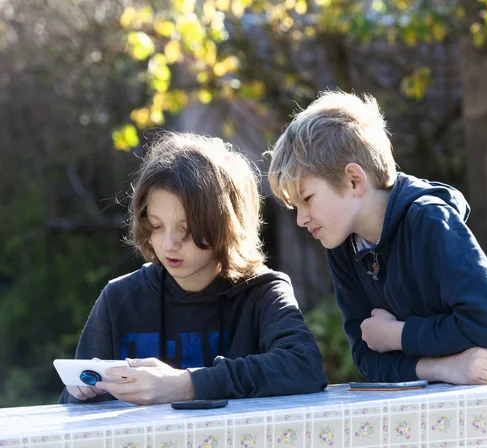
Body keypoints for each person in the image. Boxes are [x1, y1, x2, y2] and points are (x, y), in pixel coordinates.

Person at [266, 90, 487, 447]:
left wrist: (397, 336)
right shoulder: (342, 245)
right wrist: (444, 368)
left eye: (306, 200)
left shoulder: (429, 220)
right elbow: (367, 357)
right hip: (449, 422)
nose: (302, 219)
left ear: (354, 180)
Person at [59, 132, 327, 405]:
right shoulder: (119, 298)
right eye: (157, 225)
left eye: (186, 230)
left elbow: (304, 367)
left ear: (225, 227)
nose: (168, 244)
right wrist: (81, 393)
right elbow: (72, 413)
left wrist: (188, 385)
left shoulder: (263, 293)